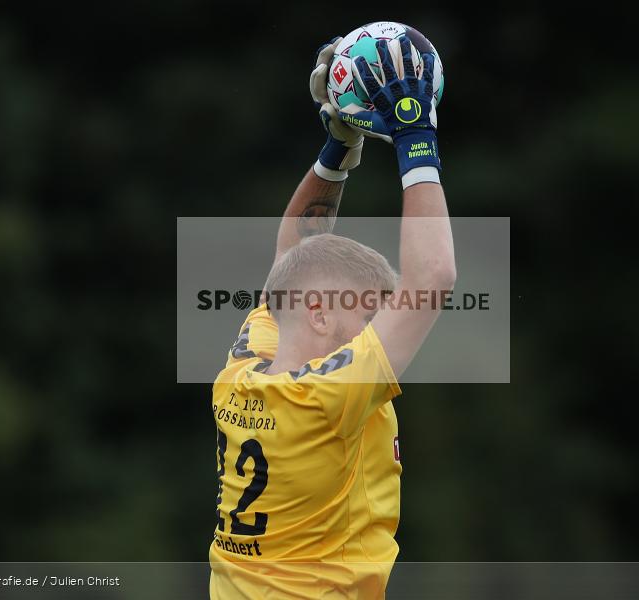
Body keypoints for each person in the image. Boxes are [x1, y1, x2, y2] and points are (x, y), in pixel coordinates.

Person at [209, 35, 455, 599]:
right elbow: (434, 278)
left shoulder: (241, 372)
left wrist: (338, 147)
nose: (379, 332)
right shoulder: (326, 396)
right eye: (368, 316)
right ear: (319, 313)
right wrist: (416, 137)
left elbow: (294, 258)